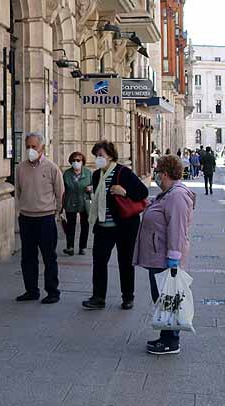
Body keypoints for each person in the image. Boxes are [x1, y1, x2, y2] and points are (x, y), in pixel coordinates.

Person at [135, 153, 195, 356]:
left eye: (157, 171)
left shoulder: (177, 195)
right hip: (157, 254)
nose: (155, 175)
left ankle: (171, 341)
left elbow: (177, 228)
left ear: (166, 173)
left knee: (167, 298)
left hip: (164, 257)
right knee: (162, 298)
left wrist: (174, 258)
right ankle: (166, 337)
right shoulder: (168, 193)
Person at [82, 140, 150, 311]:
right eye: (96, 156)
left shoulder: (123, 172)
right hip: (103, 227)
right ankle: (98, 297)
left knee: (125, 261)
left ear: (110, 156)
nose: (98, 159)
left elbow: (143, 192)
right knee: (99, 261)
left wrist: (124, 192)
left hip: (124, 226)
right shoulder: (97, 175)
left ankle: (128, 297)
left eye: (101, 155)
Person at [15, 133, 64, 304]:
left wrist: (57, 213)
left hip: (46, 218)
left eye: (34, 147)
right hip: (26, 218)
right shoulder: (20, 168)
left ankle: (52, 292)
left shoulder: (51, 168)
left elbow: (60, 193)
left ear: (42, 148)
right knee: (27, 257)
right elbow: (19, 191)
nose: (30, 150)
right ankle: (31, 290)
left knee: (49, 256)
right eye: (28, 146)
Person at [61, 151, 92, 256]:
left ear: (82, 162)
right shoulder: (67, 174)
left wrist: (91, 188)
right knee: (70, 226)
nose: (76, 162)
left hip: (84, 202)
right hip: (70, 202)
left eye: (78, 160)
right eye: (73, 160)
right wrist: (61, 206)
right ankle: (70, 247)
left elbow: (95, 186)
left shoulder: (88, 173)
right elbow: (62, 190)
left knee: (85, 225)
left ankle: (82, 247)